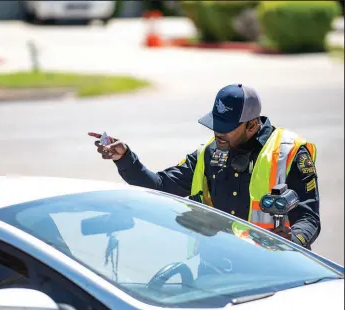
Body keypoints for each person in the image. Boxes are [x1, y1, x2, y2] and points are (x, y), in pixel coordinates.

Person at [89, 83, 320, 249]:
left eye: (226, 126)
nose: (217, 132)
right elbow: (159, 185)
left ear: (251, 125)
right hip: (219, 267)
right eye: (215, 123)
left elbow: (309, 220)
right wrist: (125, 158)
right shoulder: (210, 152)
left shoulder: (289, 153)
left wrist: (294, 240)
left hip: (276, 269)